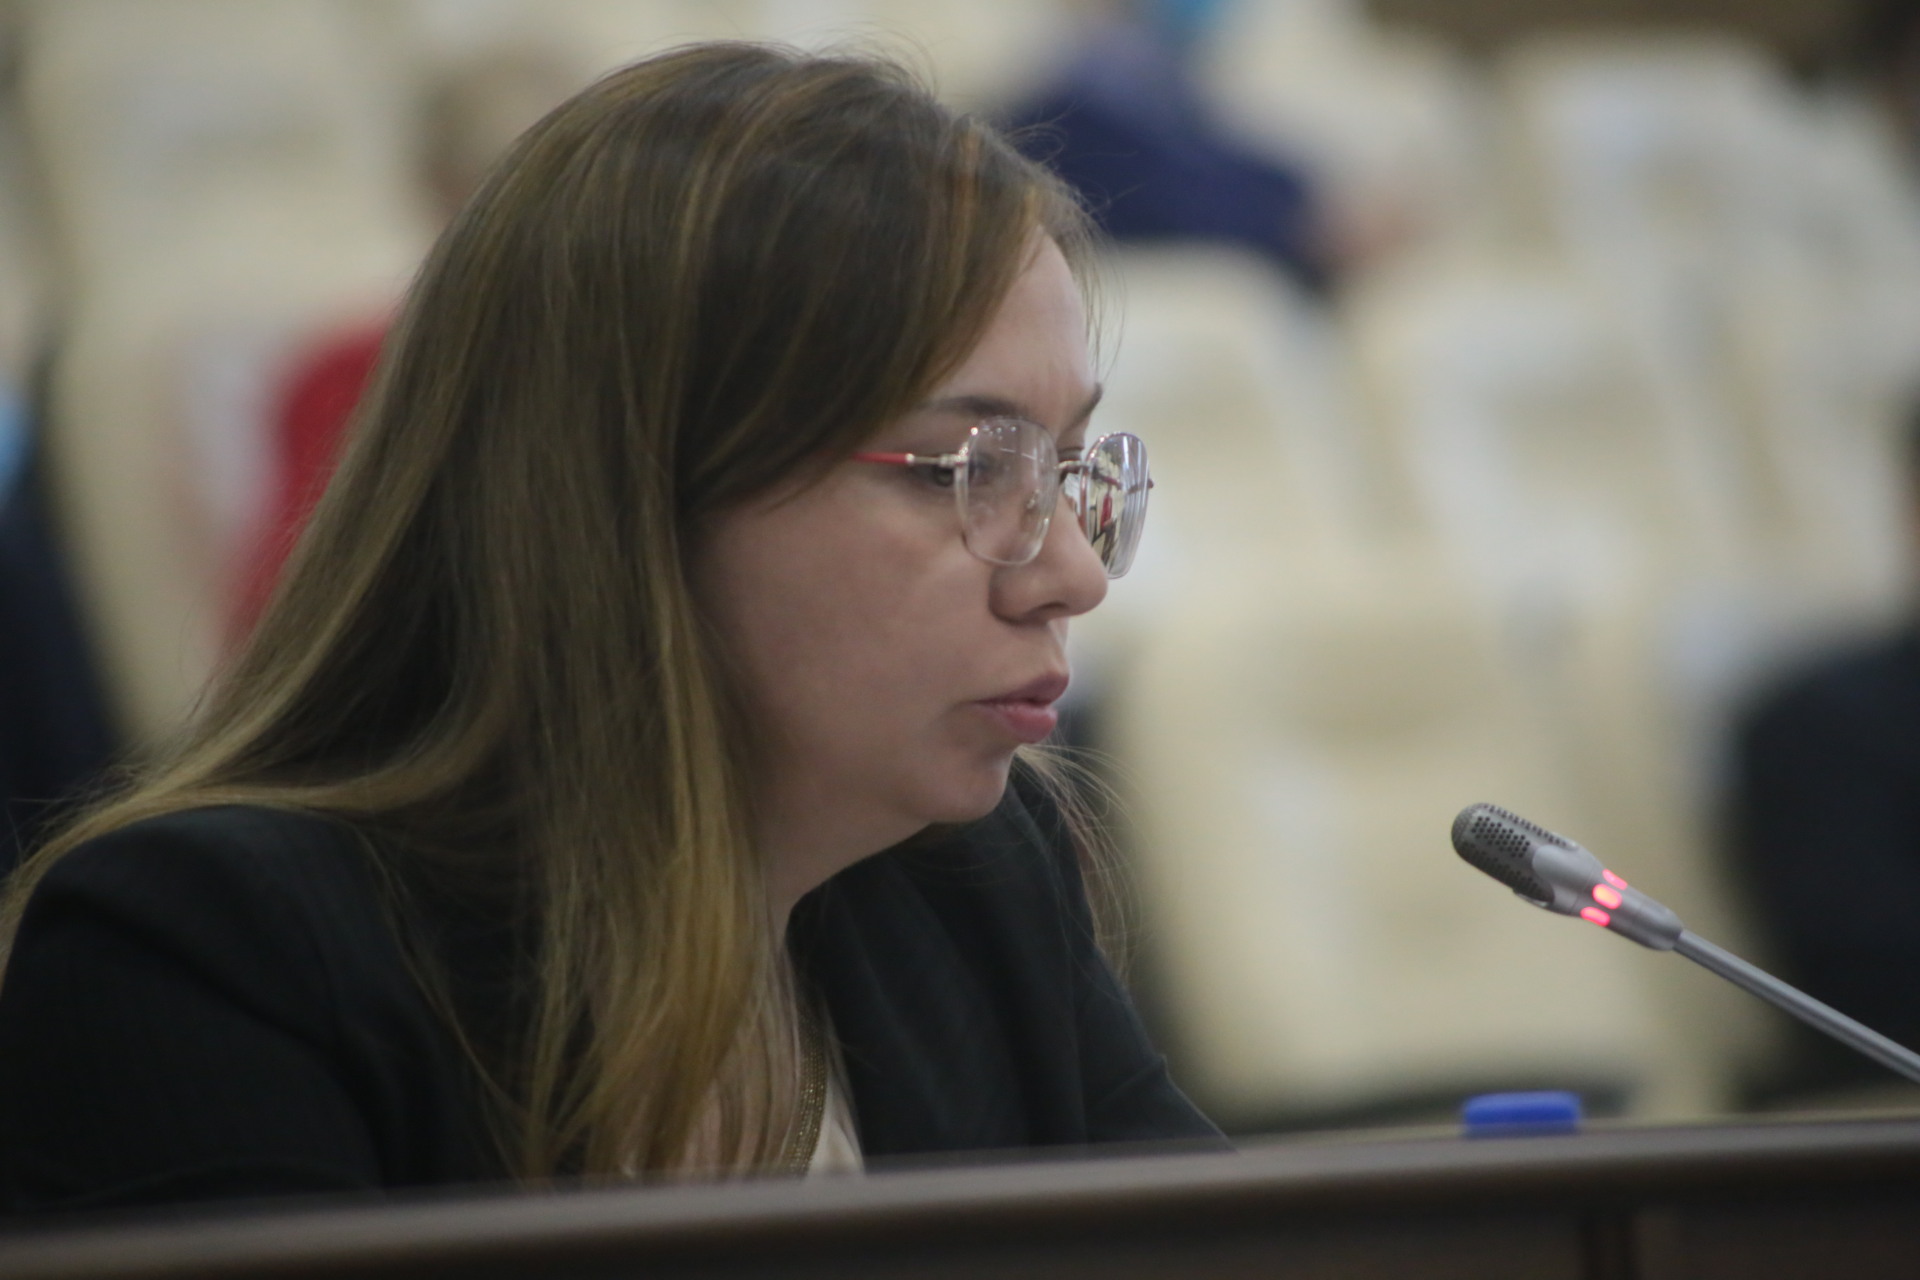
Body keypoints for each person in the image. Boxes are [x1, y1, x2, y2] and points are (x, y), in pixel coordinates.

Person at [0, 43, 1216, 1213]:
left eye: (1068, 469)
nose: (1072, 575)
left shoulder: (975, 878)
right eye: (971, 466)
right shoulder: (208, 958)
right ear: (633, 496)